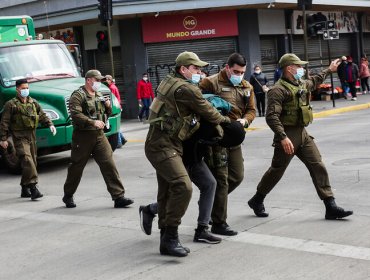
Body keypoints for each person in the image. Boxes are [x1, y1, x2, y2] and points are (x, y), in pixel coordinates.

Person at [145, 51, 231, 257]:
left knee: (167, 192)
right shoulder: (185, 88)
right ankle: (171, 236)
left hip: (167, 143)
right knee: (183, 186)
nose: (200, 72)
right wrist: (229, 123)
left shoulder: (169, 81)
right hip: (162, 145)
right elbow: (209, 111)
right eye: (195, 68)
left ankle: (165, 239)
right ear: (183, 69)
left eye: (201, 69)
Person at [247, 53, 353, 220]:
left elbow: (315, 81)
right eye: (299, 66)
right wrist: (283, 137)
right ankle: (257, 199)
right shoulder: (278, 90)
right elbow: (271, 117)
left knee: (317, 164)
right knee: (277, 170)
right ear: (290, 68)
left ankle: (330, 205)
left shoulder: (300, 84)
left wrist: (329, 69)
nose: (302, 69)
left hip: (302, 133)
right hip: (287, 135)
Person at [140, 97, 245, 245]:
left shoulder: (217, 123)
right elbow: (188, 141)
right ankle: (150, 211)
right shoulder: (207, 125)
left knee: (210, 184)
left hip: (194, 159)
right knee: (181, 193)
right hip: (176, 156)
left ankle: (202, 230)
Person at [199, 53, 256, 236]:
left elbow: (251, 110)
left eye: (242, 72)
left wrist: (245, 121)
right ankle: (219, 222)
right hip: (217, 139)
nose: (239, 75)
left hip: (235, 137)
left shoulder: (246, 86)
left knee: (237, 176)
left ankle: (210, 203)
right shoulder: (210, 83)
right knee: (221, 181)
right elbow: (199, 105)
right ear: (227, 67)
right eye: (236, 71)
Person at [62, 70, 134, 209]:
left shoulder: (99, 95)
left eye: (100, 80)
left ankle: (118, 197)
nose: (99, 83)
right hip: (83, 137)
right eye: (97, 80)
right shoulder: (78, 95)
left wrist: (108, 107)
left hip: (99, 136)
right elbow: (75, 114)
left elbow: (107, 114)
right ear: (89, 80)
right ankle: (68, 194)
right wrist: (92, 122)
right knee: (77, 167)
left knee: (109, 164)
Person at [0, 79, 56, 200]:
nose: (26, 90)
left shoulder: (33, 102)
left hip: (32, 135)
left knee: (32, 163)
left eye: (27, 88)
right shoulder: (11, 104)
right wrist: (3, 139)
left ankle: (24, 188)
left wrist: (50, 124)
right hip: (19, 136)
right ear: (17, 90)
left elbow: (42, 115)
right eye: (23, 88)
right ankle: (33, 188)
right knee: (27, 160)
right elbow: (4, 122)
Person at [105, 75, 127, 147]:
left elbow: (112, 99)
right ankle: (122, 140)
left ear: (110, 80)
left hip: (114, 108)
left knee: (115, 126)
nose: (106, 81)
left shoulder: (111, 88)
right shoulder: (112, 87)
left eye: (107, 79)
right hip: (116, 107)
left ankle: (119, 142)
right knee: (116, 125)